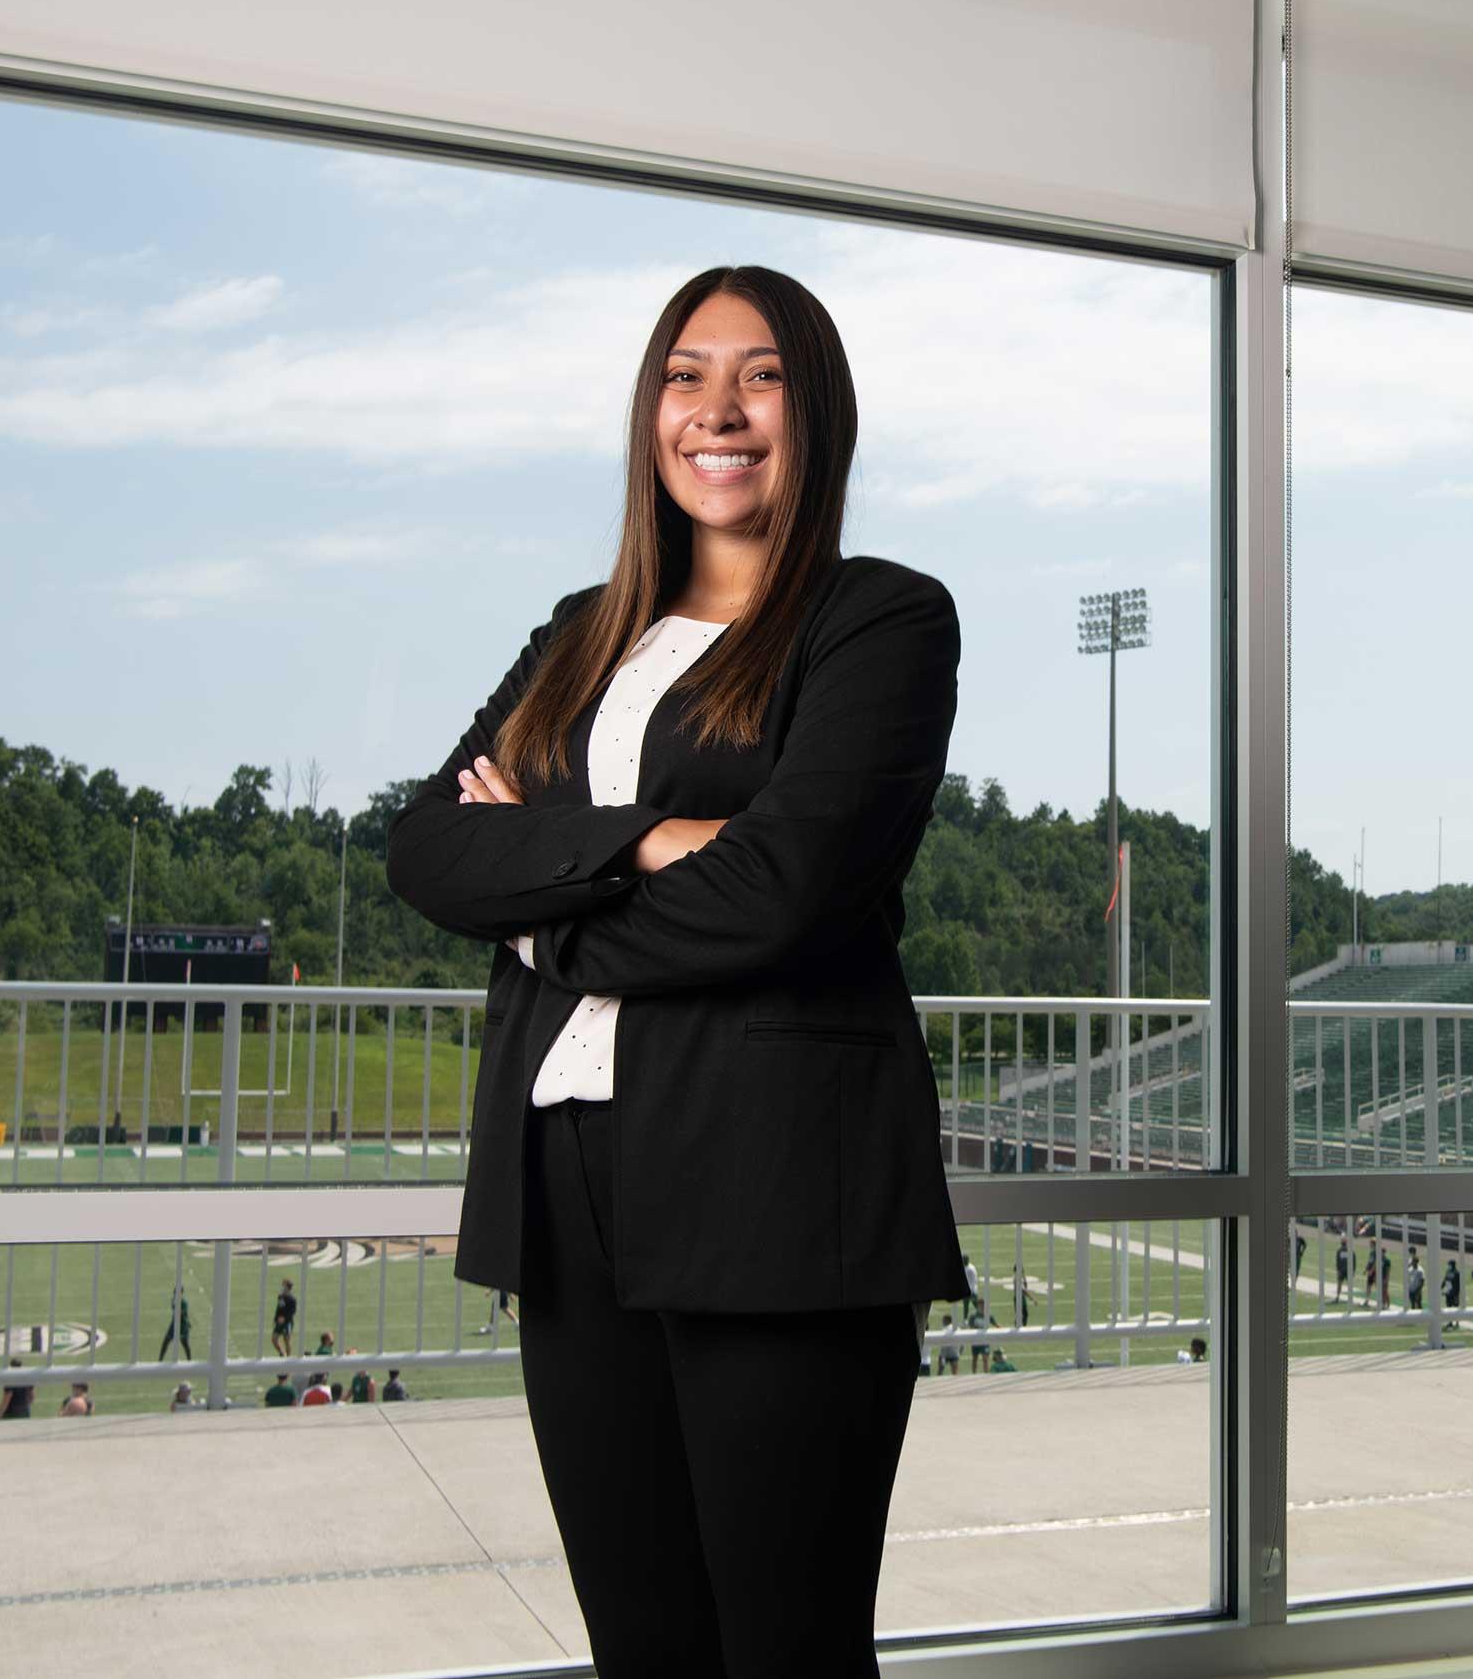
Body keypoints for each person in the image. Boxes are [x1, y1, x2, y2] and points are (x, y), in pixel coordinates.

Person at [386, 266, 968, 1678]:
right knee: (642, 1647)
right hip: (564, 1188)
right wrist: (658, 839)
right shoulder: (583, 629)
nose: (719, 409)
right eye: (685, 375)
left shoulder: (880, 621)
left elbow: (783, 896)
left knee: (786, 1649)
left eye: (759, 374)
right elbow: (422, 851)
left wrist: (540, 880)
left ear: (813, 409)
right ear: (651, 413)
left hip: (776, 1188)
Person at [158, 1285, 193, 1361]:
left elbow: (181, 1314)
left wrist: (178, 1306)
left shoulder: (184, 1303)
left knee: (185, 1344)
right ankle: (160, 1360)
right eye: (175, 1293)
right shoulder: (173, 1300)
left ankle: (189, 1360)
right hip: (174, 1324)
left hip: (183, 1325)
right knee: (166, 1341)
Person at [271, 1280, 297, 1358]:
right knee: (274, 1339)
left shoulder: (292, 1299)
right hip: (279, 1322)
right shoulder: (280, 1296)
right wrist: (276, 1319)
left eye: (283, 1285)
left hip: (287, 1323)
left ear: (288, 1287)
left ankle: (288, 1358)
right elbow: (278, 1308)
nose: (282, 1287)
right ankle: (282, 1353)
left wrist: (284, 1318)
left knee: (287, 1340)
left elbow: (292, 1312)